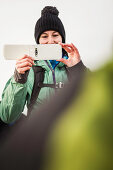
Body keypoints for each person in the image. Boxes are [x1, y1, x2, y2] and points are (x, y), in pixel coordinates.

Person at [0, 6, 87, 124]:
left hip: (71, 137)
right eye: (44, 36)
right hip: (38, 137)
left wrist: (78, 68)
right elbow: (8, 116)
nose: (50, 41)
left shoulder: (74, 65)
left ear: (62, 38)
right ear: (38, 41)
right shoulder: (27, 68)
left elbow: (101, 102)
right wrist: (19, 78)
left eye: (55, 35)